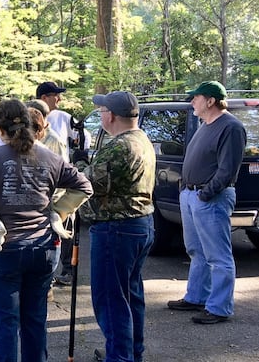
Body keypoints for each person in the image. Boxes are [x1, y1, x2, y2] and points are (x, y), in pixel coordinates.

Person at [0, 99, 92, 362]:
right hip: (43, 249)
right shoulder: (50, 157)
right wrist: (59, 211)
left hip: (3, 248)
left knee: (5, 325)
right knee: (35, 321)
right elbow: (84, 186)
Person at [81, 91, 156, 362]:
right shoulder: (142, 138)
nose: (100, 115)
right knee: (130, 294)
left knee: (111, 299)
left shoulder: (119, 146)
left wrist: (78, 163)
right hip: (140, 224)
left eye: (101, 110)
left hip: (117, 228)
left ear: (110, 115)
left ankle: (120, 357)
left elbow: (89, 183)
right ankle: (129, 352)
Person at [167, 81, 246, 325]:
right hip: (191, 196)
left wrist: (205, 193)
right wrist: (185, 188)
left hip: (210, 198)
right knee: (196, 251)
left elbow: (227, 170)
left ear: (210, 101)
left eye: (196, 97)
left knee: (218, 255)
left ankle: (220, 308)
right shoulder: (205, 124)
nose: (192, 101)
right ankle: (197, 296)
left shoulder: (231, 127)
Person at [35, 82, 84, 286]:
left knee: (63, 230)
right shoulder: (29, 120)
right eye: (56, 95)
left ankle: (68, 270)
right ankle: (46, 273)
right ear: (45, 97)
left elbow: (78, 139)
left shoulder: (63, 118)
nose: (60, 99)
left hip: (58, 189)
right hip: (41, 192)